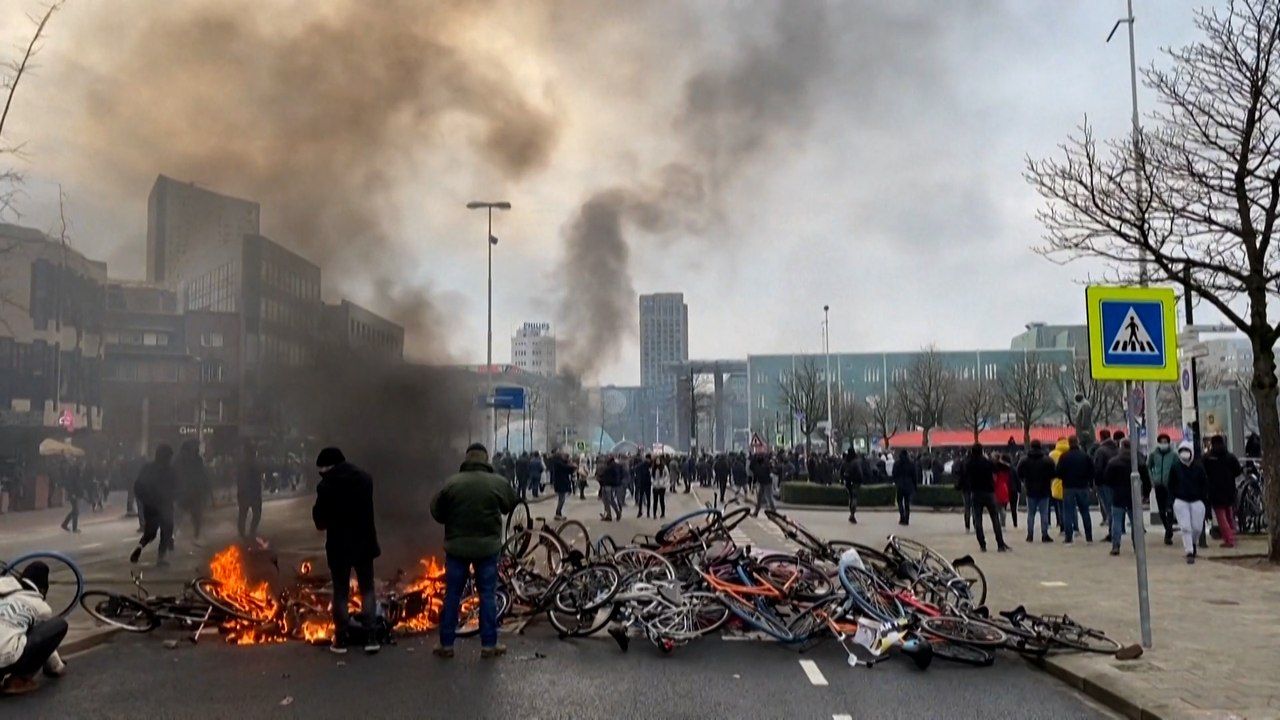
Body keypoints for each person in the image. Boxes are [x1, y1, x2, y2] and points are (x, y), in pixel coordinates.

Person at [430, 443, 518, 659]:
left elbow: (436, 511)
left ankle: (446, 644)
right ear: (486, 459)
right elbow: (510, 504)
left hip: (456, 548)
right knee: (487, 595)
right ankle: (489, 645)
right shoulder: (497, 482)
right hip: (487, 549)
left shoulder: (452, 483)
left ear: (467, 458)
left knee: (452, 595)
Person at [312, 447, 381, 655]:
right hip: (364, 543)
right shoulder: (365, 479)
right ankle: (371, 637)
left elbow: (320, 522)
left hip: (339, 546)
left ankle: (341, 639)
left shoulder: (326, 486)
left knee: (341, 592)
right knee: (367, 589)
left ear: (329, 467)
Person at [0, 562, 67, 695]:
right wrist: (57, 667)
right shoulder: (41, 607)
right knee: (59, 625)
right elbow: (45, 643)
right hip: (4, 659)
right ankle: (18, 681)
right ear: (42, 590)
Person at [130, 444, 176, 567]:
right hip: (164, 506)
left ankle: (140, 546)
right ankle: (160, 558)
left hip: (149, 506)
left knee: (149, 532)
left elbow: (138, 485)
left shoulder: (147, 468)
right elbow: (176, 488)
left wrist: (144, 500)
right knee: (166, 532)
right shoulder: (169, 471)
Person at [962, 444, 1010, 552]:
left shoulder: (969, 463)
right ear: (982, 451)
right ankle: (1000, 544)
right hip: (989, 492)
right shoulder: (987, 462)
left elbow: (964, 476)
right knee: (995, 518)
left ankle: (982, 544)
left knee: (978, 519)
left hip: (976, 493)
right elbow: (1000, 469)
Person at [1169, 441, 1208, 563]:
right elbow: (1171, 484)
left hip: (1197, 500)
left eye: (1187, 451)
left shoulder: (1199, 467)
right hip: (1181, 500)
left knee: (1197, 527)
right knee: (1185, 527)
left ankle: (1193, 542)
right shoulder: (1175, 467)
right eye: (1182, 451)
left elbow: (1205, 484)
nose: (1184, 454)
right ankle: (1189, 551)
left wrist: (1204, 499)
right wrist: (1171, 500)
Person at [1203, 435, 1242, 549]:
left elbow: (1203, 472)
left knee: (1221, 517)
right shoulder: (1230, 456)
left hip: (1215, 490)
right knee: (1229, 515)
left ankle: (1229, 539)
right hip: (1229, 489)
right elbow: (1238, 471)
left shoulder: (1208, 458)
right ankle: (1232, 536)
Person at [1056, 436, 1094, 543]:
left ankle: (1069, 537)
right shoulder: (1085, 456)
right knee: (1085, 511)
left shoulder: (1064, 457)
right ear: (1077, 442)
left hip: (1068, 487)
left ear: (1069, 443)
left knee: (1068, 512)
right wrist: (1089, 483)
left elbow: (1058, 472)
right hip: (1082, 487)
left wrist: (1065, 478)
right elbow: (1092, 471)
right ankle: (1089, 536)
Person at [1018, 440, 1056, 543]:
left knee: (1031, 513)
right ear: (1040, 447)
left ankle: (1030, 535)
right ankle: (1045, 535)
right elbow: (1053, 473)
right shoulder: (1048, 460)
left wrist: (1025, 481)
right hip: (1044, 489)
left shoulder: (1024, 460)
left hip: (1030, 489)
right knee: (1044, 513)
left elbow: (1019, 473)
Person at [174, 440, 211, 542]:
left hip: (187, 493)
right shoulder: (194, 460)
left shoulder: (180, 460)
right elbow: (203, 476)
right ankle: (196, 535)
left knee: (180, 517)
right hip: (191, 493)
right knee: (194, 516)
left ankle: (174, 537)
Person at [1147, 433, 1178, 546]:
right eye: (1162, 442)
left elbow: (1177, 469)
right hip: (1158, 485)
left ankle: (1168, 532)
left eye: (1166, 442)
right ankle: (1167, 528)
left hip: (1169, 485)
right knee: (1161, 511)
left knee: (1169, 508)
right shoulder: (1154, 455)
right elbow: (1148, 467)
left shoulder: (1173, 455)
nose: (1164, 444)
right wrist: (1152, 480)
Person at [1093, 429, 1119, 539]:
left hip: (1104, 483)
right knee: (1115, 508)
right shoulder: (1117, 450)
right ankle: (1116, 531)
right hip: (1116, 482)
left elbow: (1098, 468)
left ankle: (1112, 533)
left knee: (1109, 509)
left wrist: (1096, 482)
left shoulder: (1100, 451)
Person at [237, 441, 263, 541]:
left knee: (244, 514)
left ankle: (244, 533)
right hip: (251, 493)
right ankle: (248, 532)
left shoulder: (244, 464)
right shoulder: (250, 464)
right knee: (253, 513)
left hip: (247, 492)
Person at [549, 452, 575, 521]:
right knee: (561, 499)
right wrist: (572, 465)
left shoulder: (558, 463)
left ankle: (559, 513)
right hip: (561, 483)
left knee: (561, 499)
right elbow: (567, 468)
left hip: (561, 482)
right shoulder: (558, 464)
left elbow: (568, 470)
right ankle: (558, 513)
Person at [840, 449, 864, 524]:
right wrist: (861, 480)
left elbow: (841, 472)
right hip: (855, 481)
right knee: (854, 497)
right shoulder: (856, 462)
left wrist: (842, 479)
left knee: (850, 497)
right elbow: (860, 472)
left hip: (847, 482)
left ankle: (851, 512)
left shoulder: (845, 461)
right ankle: (852, 514)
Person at [750, 452, 775, 517]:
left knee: (769, 498)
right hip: (762, 482)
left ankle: (773, 512)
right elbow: (753, 471)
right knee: (760, 498)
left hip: (767, 483)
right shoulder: (757, 465)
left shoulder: (764, 464)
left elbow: (771, 469)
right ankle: (756, 512)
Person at [59, 462, 82, 534]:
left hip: (74, 494)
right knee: (76, 511)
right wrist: (72, 494)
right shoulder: (73, 475)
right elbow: (70, 485)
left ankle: (64, 524)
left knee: (74, 511)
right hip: (73, 495)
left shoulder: (75, 475)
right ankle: (74, 528)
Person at [632, 455, 652, 519]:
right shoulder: (648, 465)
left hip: (644, 483)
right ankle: (645, 512)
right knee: (645, 498)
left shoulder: (642, 465)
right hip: (646, 483)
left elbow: (634, 470)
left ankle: (643, 512)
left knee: (644, 498)